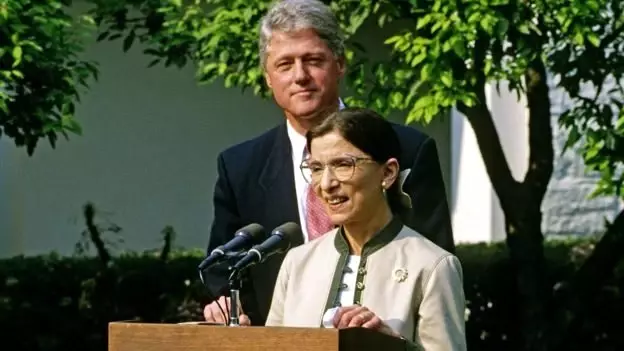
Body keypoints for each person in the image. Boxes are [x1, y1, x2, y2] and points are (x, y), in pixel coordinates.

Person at [204, 0, 454, 326]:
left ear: (340, 63)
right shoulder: (240, 167)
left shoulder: (407, 149)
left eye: (313, 60)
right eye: (284, 64)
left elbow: (435, 264)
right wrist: (232, 311)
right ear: (267, 76)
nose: (300, 76)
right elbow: (224, 269)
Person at [237, 108, 467, 350]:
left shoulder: (432, 265)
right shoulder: (297, 263)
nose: (326, 184)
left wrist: (392, 344)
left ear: (388, 172)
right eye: (316, 168)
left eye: (343, 165)